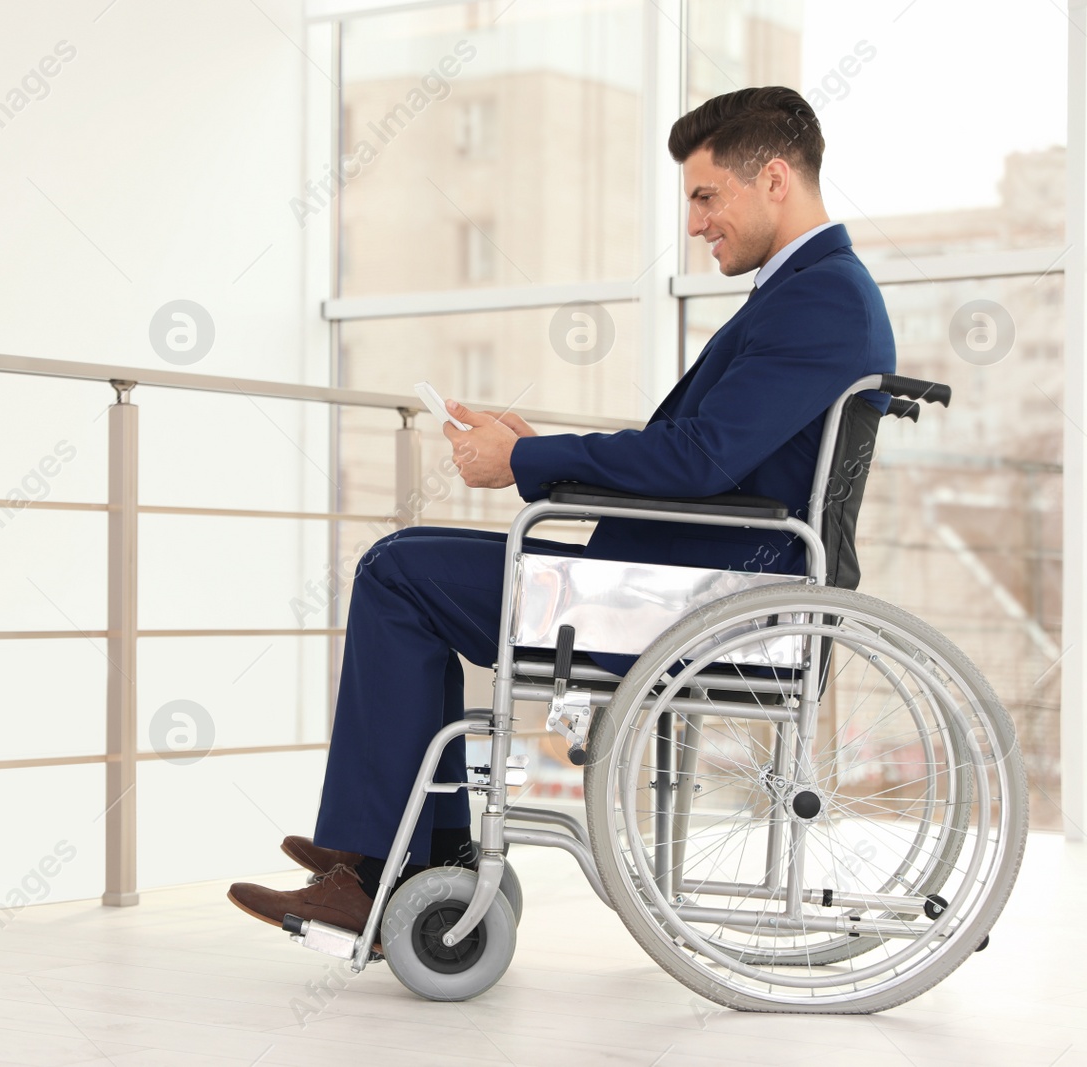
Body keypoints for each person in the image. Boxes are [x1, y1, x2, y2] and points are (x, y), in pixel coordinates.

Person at [227, 85, 896, 937]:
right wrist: (535, 449)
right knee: (411, 562)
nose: (695, 225)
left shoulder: (821, 297)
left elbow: (700, 459)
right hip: (697, 576)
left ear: (772, 179)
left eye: (705, 196)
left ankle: (381, 861)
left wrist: (525, 463)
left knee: (400, 574)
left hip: (704, 596)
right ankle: (401, 856)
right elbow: (709, 454)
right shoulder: (808, 291)